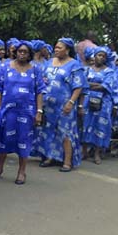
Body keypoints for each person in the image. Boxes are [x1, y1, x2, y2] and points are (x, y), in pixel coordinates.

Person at [0, 41, 46, 184]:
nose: (22, 54)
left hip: (27, 111)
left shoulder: (35, 70)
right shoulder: (5, 67)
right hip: (8, 110)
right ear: (15, 52)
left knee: (23, 140)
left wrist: (39, 111)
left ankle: (21, 172)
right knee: (4, 139)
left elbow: (40, 91)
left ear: (30, 54)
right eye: (20, 51)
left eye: (25, 52)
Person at [36, 38, 86, 171]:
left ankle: (67, 161)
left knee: (65, 132)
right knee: (48, 131)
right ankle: (50, 157)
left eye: (59, 47)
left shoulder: (74, 65)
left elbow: (79, 86)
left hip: (65, 105)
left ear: (68, 49)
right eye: (55, 47)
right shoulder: (48, 63)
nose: (56, 49)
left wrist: (71, 102)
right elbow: (41, 81)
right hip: (48, 105)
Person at [81, 47, 118, 164]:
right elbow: (82, 83)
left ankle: (97, 153)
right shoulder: (86, 70)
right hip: (86, 101)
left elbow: (105, 86)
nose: (101, 57)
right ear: (94, 56)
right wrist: (97, 84)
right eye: (99, 55)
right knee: (85, 124)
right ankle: (84, 151)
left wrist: (90, 84)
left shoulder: (110, 71)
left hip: (104, 102)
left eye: (104, 56)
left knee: (101, 127)